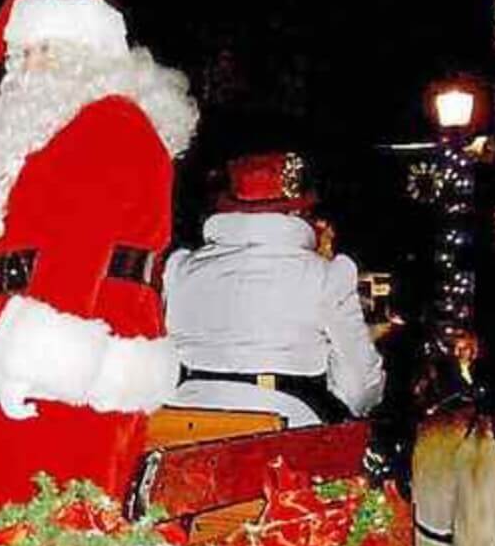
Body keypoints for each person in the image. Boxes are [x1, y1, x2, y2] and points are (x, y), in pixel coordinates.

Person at [0, 0, 199, 510]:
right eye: (24, 54)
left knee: (54, 518)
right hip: (56, 340)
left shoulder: (110, 122)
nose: (33, 66)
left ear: (90, 54)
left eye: (48, 50)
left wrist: (32, 360)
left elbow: (80, 245)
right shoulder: (59, 135)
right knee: (29, 516)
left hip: (82, 345)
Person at [164, 153, 385, 427]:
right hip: (283, 425)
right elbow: (359, 388)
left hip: (184, 422)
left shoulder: (180, 268)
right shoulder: (326, 276)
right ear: (296, 213)